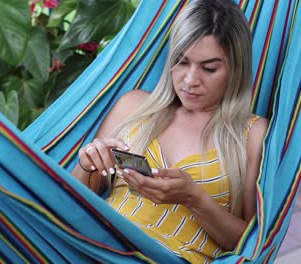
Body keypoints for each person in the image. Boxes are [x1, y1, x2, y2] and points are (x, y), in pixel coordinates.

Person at [71, 0, 268, 263]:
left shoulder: (251, 135)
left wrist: (194, 198)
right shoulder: (134, 106)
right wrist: (88, 164)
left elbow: (252, 245)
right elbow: (76, 199)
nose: (189, 80)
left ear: (235, 69)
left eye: (209, 68)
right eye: (181, 62)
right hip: (98, 247)